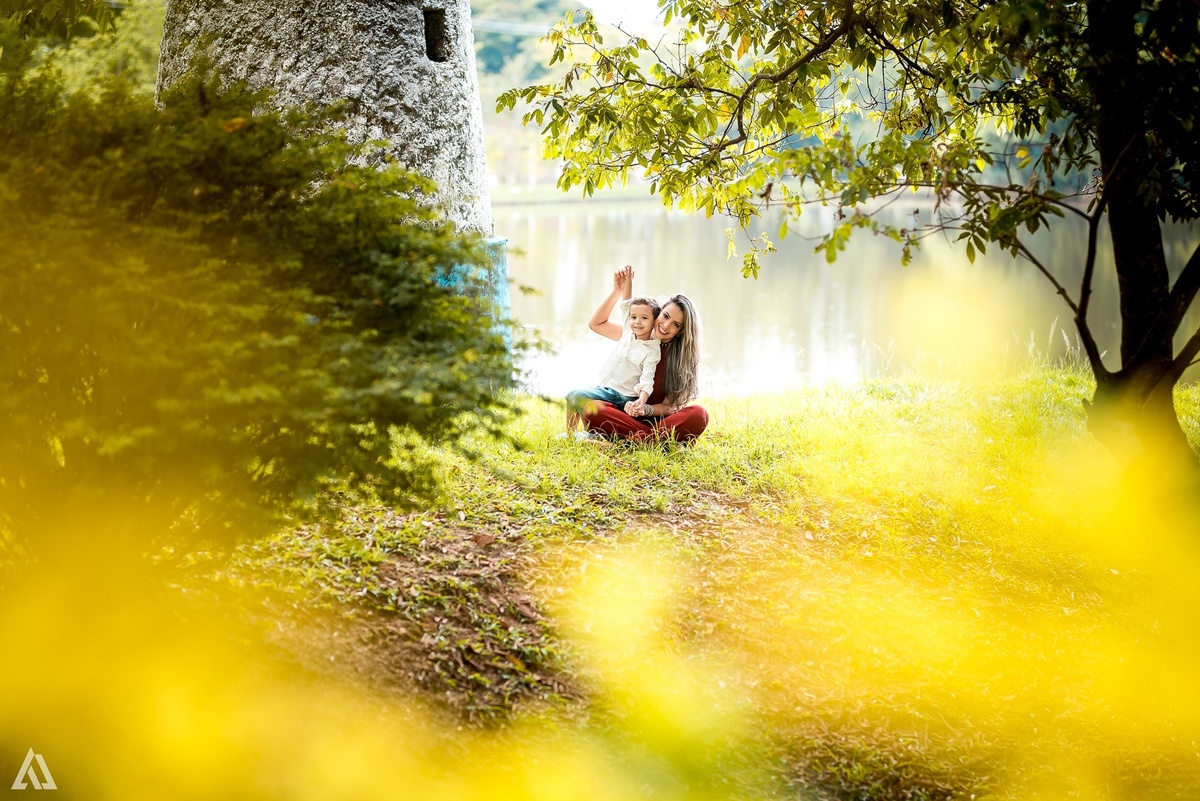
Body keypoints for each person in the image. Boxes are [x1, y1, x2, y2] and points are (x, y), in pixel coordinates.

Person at [577, 265, 709, 446]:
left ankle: (631, 442)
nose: (666, 325)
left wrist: (644, 409)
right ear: (657, 313)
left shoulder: (680, 358)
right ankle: (654, 443)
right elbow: (596, 324)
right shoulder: (636, 336)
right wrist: (617, 291)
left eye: (676, 324)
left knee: (699, 414)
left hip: (657, 421)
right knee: (593, 409)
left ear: (681, 331)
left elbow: (670, 407)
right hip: (624, 414)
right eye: (665, 316)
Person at [563, 267, 662, 436]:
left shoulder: (652, 350)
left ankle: (569, 436)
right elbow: (626, 304)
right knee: (580, 400)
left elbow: (647, 379)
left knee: (574, 395)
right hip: (607, 388)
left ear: (654, 322)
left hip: (622, 396)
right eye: (634, 317)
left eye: (644, 318)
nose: (637, 322)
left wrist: (642, 400)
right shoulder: (628, 332)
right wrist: (626, 282)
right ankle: (574, 434)